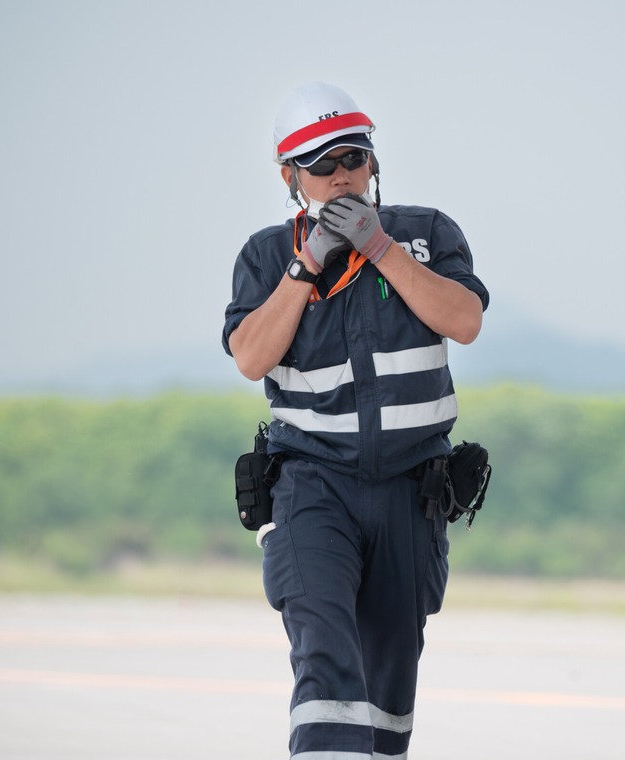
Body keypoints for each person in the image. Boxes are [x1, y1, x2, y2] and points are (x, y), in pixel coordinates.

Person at [222, 82, 488, 759]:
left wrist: (381, 250)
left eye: (354, 158)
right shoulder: (263, 255)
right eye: (322, 165)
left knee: (389, 688)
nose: (341, 175)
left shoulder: (427, 232)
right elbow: (252, 359)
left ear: (373, 163)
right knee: (325, 657)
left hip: (410, 490)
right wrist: (306, 265)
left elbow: (464, 321)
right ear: (291, 177)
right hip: (313, 484)